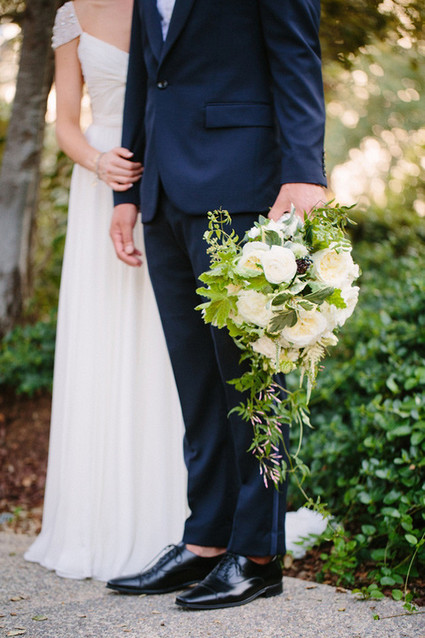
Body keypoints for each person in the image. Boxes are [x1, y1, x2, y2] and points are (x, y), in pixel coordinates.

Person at [107, 0, 327, 609]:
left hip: (244, 186)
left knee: (252, 381)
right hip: (163, 196)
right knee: (198, 384)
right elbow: (145, 76)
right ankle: (206, 540)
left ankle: (257, 555)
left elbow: (297, 55)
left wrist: (306, 172)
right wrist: (127, 192)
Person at [24, 0, 187, 581]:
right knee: (101, 342)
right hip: (102, 186)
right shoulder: (72, 13)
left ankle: (179, 515)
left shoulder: (168, 6)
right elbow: (66, 122)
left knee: (166, 348)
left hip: (168, 172)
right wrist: (99, 162)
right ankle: (95, 523)